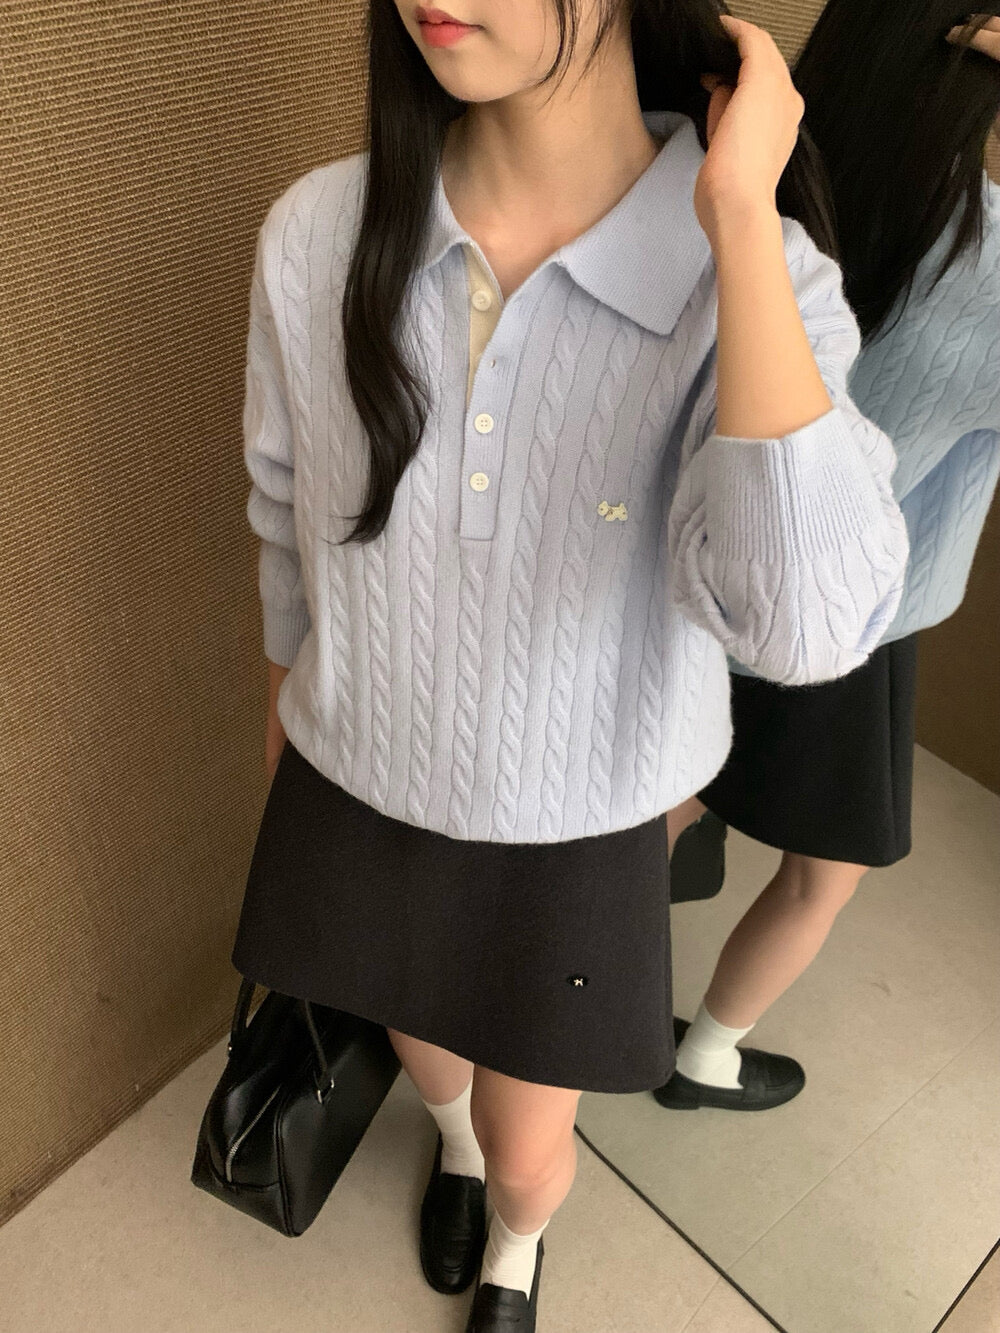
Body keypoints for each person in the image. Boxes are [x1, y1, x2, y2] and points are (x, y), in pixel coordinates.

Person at [228, 0, 909, 1327]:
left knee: (536, 1144)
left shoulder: (752, 271)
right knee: (430, 1057)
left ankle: (517, 1242)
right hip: (357, 780)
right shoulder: (318, 231)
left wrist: (739, 222)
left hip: (576, 822)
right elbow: (284, 514)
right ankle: (456, 1154)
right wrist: (284, 726)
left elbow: (808, 626)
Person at [658, 7, 1000, 1114]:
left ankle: (574, 1004)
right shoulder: (988, 268)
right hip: (855, 611)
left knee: (651, 807)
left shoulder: (743, 177)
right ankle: (706, 1057)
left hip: (702, 571)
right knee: (822, 876)